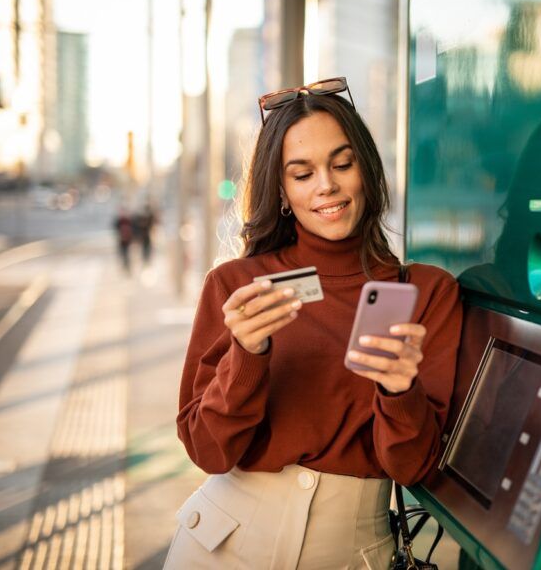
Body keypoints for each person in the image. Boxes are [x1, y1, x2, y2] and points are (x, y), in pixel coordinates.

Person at [164, 77, 463, 570]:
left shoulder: (426, 293)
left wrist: (397, 390)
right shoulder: (238, 285)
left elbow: (412, 466)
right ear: (282, 191)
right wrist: (248, 356)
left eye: (342, 164)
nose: (326, 185)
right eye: (302, 174)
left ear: (366, 169)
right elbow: (208, 450)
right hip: (221, 543)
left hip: (351, 550)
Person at [113, 205, 133, 274]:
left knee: (127, 254)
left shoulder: (128, 220)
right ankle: (124, 267)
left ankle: (127, 267)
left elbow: (133, 229)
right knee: (122, 254)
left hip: (127, 240)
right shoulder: (119, 221)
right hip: (121, 240)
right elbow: (115, 229)